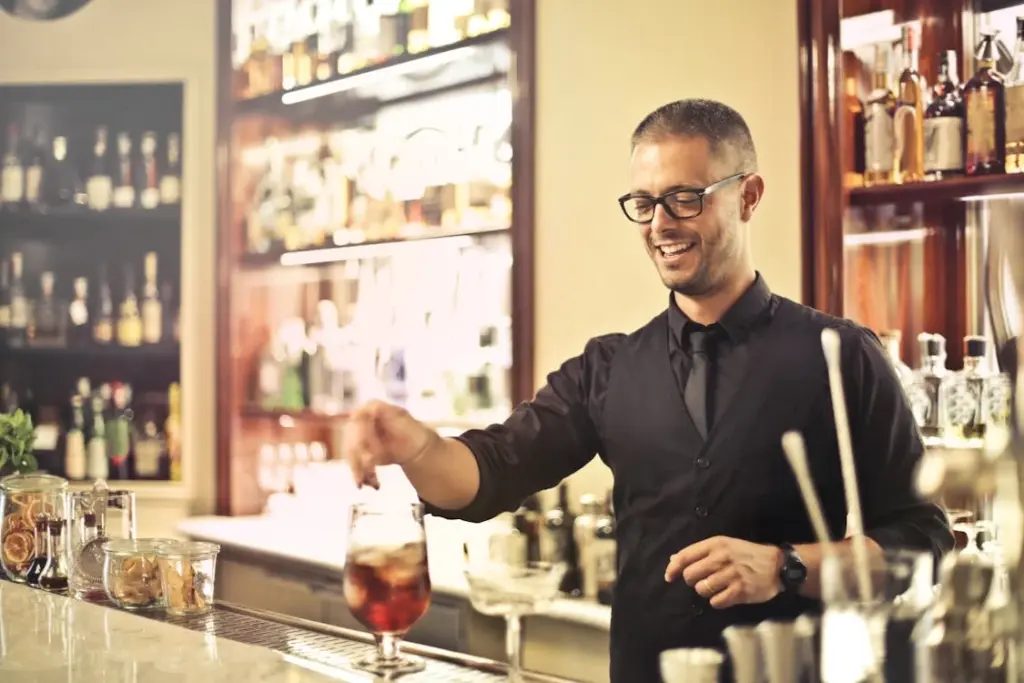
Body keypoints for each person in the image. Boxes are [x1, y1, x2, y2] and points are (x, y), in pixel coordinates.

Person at [341, 98, 954, 682]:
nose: (661, 224)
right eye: (644, 202)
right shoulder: (607, 367)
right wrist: (418, 446)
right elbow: (490, 471)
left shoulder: (841, 355)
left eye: (685, 199)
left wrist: (785, 567)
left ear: (749, 196)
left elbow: (920, 541)